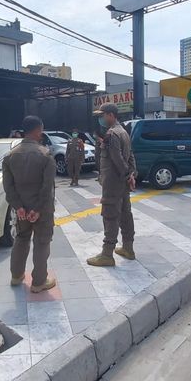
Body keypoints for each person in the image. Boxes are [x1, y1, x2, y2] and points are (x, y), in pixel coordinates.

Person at [2, 115, 57, 293]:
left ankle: (16, 276)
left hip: (21, 211)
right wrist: (38, 209)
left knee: (21, 238)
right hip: (41, 210)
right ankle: (39, 282)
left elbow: (8, 187)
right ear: (38, 130)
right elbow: (47, 187)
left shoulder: (10, 156)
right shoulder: (45, 155)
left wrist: (19, 207)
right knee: (42, 243)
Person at [87, 103, 137, 267]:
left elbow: (117, 159)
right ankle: (128, 249)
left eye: (102, 115)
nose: (100, 119)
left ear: (111, 115)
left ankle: (107, 254)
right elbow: (130, 156)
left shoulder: (112, 134)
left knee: (110, 216)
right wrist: (131, 175)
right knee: (125, 214)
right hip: (122, 182)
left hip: (113, 183)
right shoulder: (123, 131)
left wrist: (126, 175)